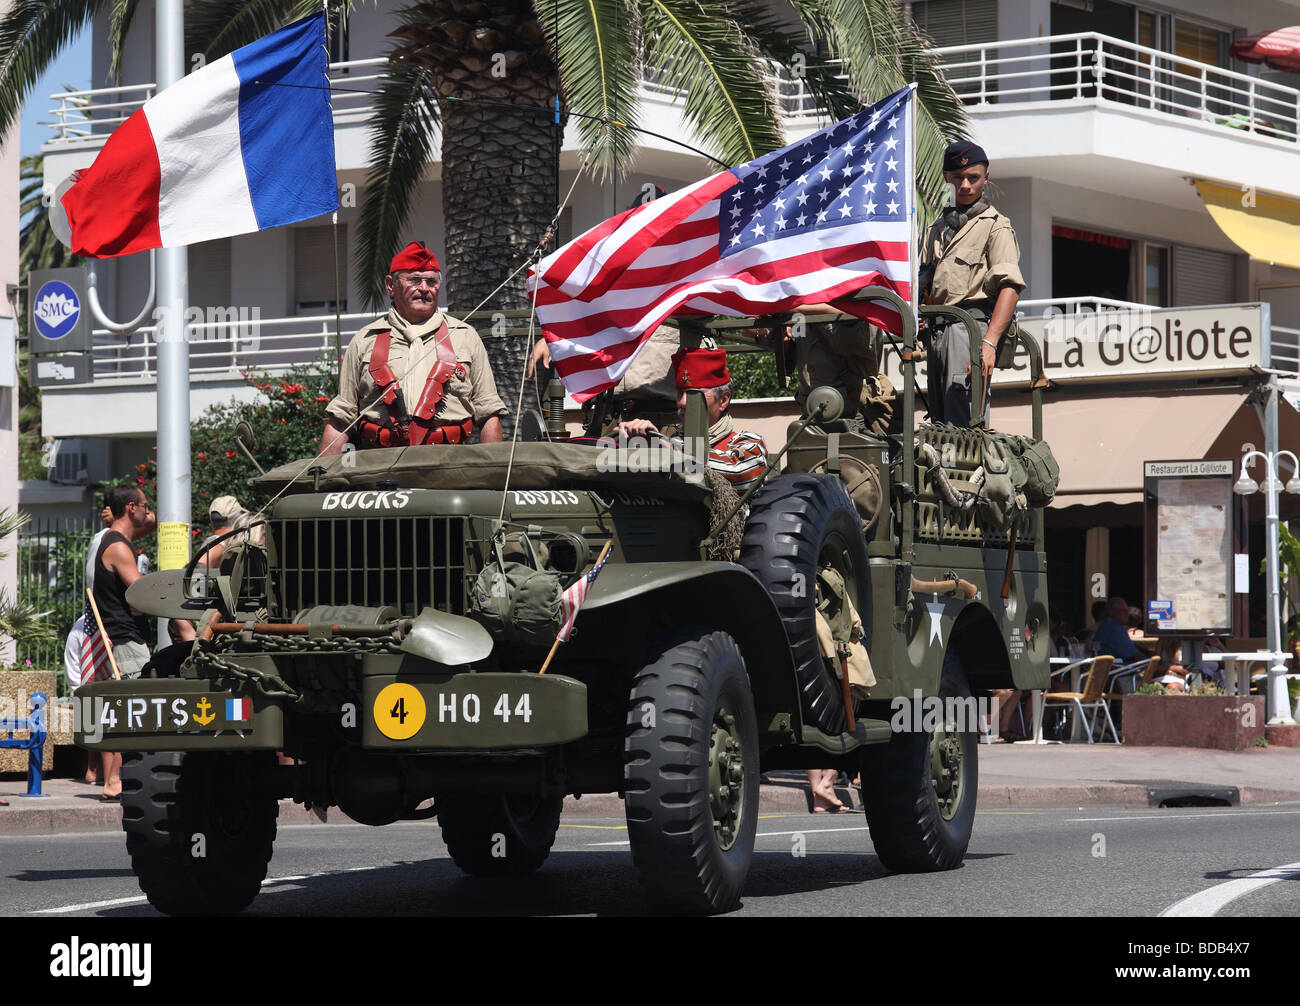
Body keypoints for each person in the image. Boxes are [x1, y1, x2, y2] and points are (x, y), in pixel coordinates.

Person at [319, 241, 508, 453]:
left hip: (449, 460)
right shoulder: (365, 340)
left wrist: (493, 468)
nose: (424, 289)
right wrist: (322, 471)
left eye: (432, 281)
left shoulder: (465, 337)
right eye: (415, 280)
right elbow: (342, 416)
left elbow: (488, 412)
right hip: (379, 461)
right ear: (390, 285)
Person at [917, 140, 1025, 428]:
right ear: (946, 178)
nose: (965, 185)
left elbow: (1010, 288)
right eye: (957, 178)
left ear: (986, 177)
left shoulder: (996, 225)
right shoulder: (936, 229)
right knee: (940, 425)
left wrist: (988, 344)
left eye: (973, 178)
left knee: (964, 423)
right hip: (936, 333)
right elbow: (925, 283)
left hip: (969, 331)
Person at [614, 347, 769, 492]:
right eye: (680, 393)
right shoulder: (671, 441)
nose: (682, 402)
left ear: (723, 400)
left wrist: (668, 450)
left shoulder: (749, 443)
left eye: (694, 394)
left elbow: (738, 473)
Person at [88, 484, 156, 800]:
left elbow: (151, 522)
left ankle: (114, 779)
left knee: (121, 709)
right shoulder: (117, 546)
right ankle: (114, 781)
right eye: (144, 505)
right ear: (131, 508)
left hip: (118, 638)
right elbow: (141, 596)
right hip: (126, 639)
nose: (148, 511)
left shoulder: (113, 541)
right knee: (134, 709)